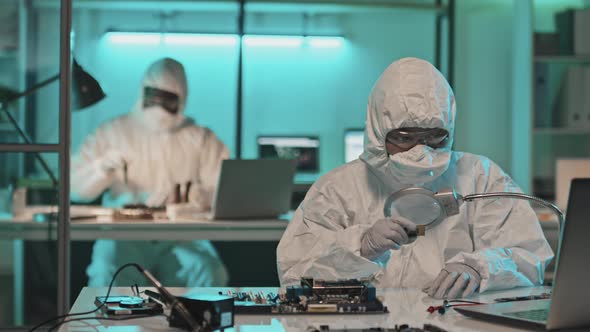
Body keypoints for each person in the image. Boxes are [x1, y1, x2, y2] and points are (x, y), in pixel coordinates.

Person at [276, 57, 553, 299]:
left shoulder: (480, 177)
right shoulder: (338, 189)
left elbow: (529, 256)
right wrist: (359, 246)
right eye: (404, 138)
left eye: (434, 137)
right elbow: (294, 272)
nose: (420, 151)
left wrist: (480, 268)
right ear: (377, 131)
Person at [71, 57, 229, 287]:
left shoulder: (201, 139)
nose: (159, 106)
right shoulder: (112, 132)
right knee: (107, 276)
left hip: (182, 236)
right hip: (123, 235)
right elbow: (75, 190)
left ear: (182, 98)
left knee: (210, 273)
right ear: (143, 92)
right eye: (154, 96)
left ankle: (199, 322)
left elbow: (224, 191)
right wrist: (100, 169)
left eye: (168, 99)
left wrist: (192, 196)